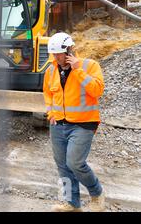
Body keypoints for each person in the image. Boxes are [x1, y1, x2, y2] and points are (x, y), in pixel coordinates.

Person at [43, 32, 106, 212]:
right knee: (62, 165)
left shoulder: (90, 65)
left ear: (70, 50)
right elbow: (48, 93)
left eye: (59, 54)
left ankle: (97, 194)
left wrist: (77, 71)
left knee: (75, 163)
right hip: (58, 124)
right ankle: (71, 204)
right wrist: (50, 112)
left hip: (83, 123)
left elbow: (97, 91)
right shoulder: (51, 70)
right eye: (54, 54)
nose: (56, 58)